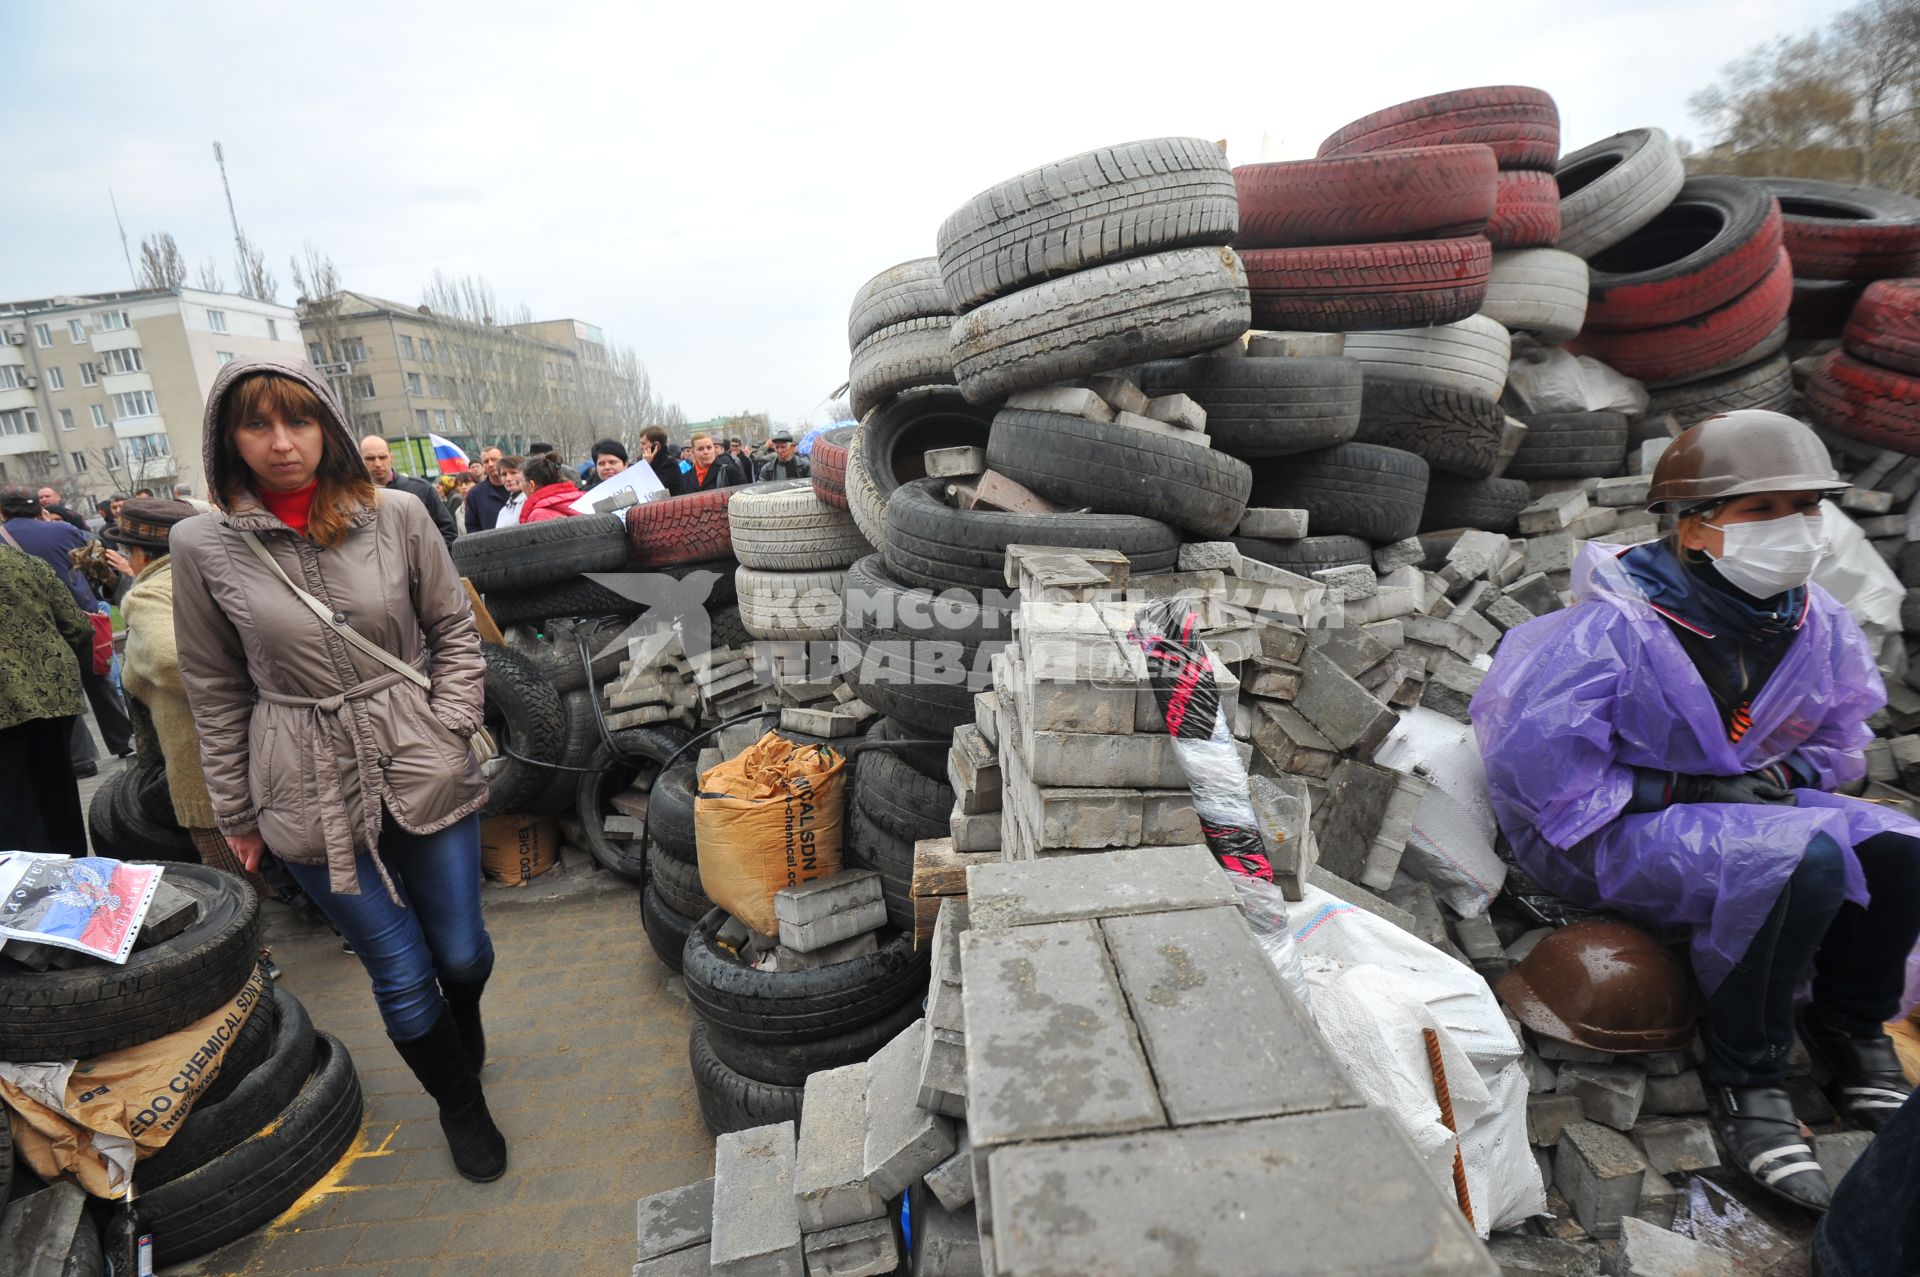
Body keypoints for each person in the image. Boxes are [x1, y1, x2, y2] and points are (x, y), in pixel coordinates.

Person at [1472, 411, 1920, 1214]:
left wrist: (1785, 771)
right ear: (1696, 528)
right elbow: (1546, 775)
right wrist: (1692, 789)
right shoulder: (1615, 628)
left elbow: (1845, 735)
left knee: (1901, 847)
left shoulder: (1811, 621)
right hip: (1616, 831)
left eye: (1809, 506)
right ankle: (1747, 1076)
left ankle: (1852, 1028)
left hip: (1748, 804)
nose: (1798, 529)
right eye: (1764, 511)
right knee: (1803, 859)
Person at [171, 355, 504, 1183]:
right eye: (258, 424)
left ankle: (459, 1018)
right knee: (397, 965)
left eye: (299, 420)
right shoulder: (199, 545)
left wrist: (454, 720)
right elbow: (213, 690)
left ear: (327, 425)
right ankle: (462, 1108)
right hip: (300, 768)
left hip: (417, 746)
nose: (283, 443)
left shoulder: (398, 513)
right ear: (227, 439)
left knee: (459, 953)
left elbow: (454, 631)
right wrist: (237, 813)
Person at [112, 498, 260, 884]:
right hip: (270, 748)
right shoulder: (232, 571)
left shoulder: (149, 596)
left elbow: (168, 661)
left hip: (206, 766)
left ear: (142, 553)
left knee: (242, 891)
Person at [0, 486, 133, 766]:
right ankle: (122, 741)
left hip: (36, 626)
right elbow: (97, 564)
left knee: (57, 687)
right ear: (40, 508)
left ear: (2, 512)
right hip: (82, 614)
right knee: (99, 680)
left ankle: (82, 758)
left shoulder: (3, 539)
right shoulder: (64, 531)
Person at [0, 535, 93, 854]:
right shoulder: (28, 563)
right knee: (58, 792)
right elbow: (78, 629)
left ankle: (29, 891)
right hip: (53, 693)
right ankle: (75, 873)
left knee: (12, 808)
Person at [360, 435, 457, 548]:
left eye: (382, 457)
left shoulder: (422, 489)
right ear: (360, 460)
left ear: (391, 457)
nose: (377, 464)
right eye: (370, 458)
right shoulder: (353, 498)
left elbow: (448, 532)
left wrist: (436, 562)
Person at [517, 454, 582, 523]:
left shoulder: (538, 515)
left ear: (531, 485)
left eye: (519, 482)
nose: (519, 486)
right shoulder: (584, 497)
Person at [463, 447, 510, 533]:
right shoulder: (475, 494)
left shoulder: (518, 488)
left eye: (494, 460)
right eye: (486, 461)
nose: (490, 464)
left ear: (503, 460)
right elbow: (471, 526)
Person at [639, 426, 682, 497]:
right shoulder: (645, 460)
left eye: (643, 444)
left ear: (657, 446)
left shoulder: (670, 464)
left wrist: (646, 466)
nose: (641, 447)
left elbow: (653, 490)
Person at [494, 456, 527, 527]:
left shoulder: (531, 502)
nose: (508, 478)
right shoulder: (503, 511)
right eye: (504, 474)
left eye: (513, 472)